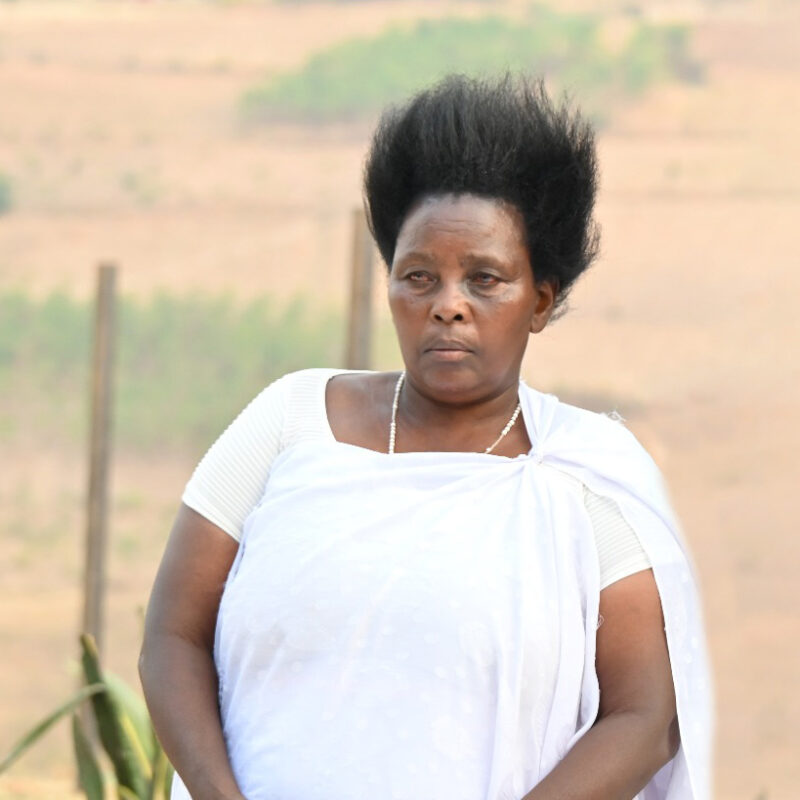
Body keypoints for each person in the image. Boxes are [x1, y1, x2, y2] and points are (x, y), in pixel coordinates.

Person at [139, 74, 712, 800]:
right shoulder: (290, 423)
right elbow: (173, 637)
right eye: (419, 276)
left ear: (540, 301)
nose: (448, 306)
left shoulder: (585, 477)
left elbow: (645, 715)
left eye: (484, 279)